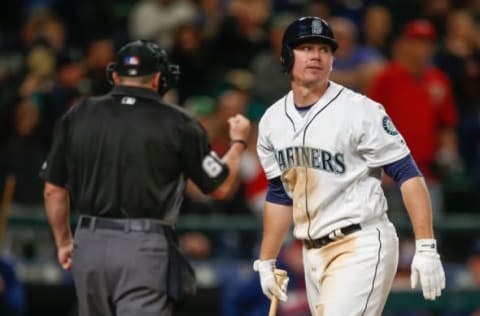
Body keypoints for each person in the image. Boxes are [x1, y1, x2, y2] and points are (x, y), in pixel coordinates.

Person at [39, 39, 251, 316]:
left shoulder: (79, 114)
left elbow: (53, 190)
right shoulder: (178, 122)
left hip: (88, 241)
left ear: (115, 76)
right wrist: (237, 145)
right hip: (143, 246)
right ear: (159, 79)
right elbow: (220, 187)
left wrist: (64, 241)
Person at [253, 16, 446, 316]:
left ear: (332, 58)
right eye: (305, 47)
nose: (316, 55)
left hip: (361, 242)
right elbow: (279, 194)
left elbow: (407, 173)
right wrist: (267, 260)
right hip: (311, 250)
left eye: (324, 49)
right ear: (286, 56)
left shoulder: (360, 110)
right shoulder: (272, 121)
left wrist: (426, 245)